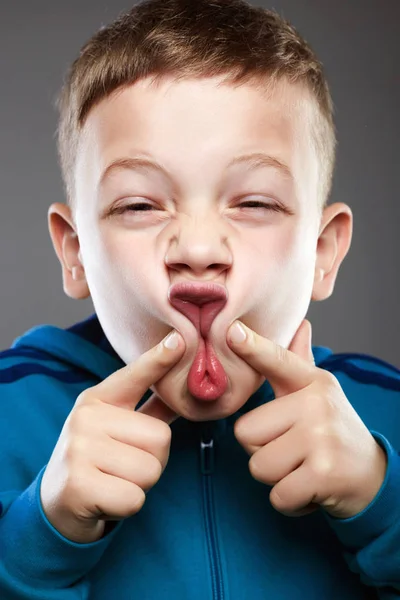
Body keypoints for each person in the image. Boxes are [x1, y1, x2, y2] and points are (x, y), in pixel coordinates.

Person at [0, 0, 399, 598]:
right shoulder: (9, 413)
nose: (198, 247)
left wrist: (382, 505)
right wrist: (40, 542)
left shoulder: (386, 410)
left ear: (323, 252)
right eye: (139, 206)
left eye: (255, 203)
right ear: (75, 252)